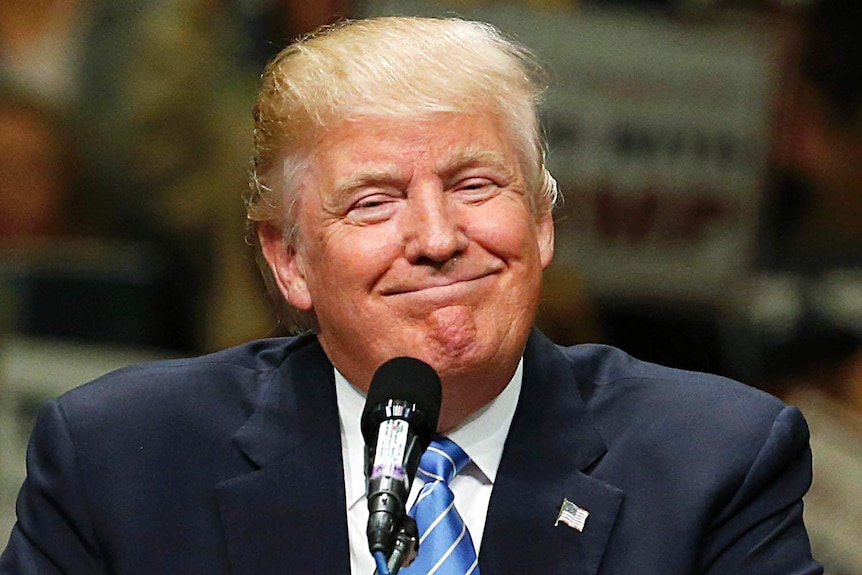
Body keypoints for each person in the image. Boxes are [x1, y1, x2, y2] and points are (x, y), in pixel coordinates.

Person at [0, 16, 821, 574]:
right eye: (373, 201)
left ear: (541, 222)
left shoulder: (716, 460)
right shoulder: (122, 459)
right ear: (289, 260)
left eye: (474, 184)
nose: (435, 236)